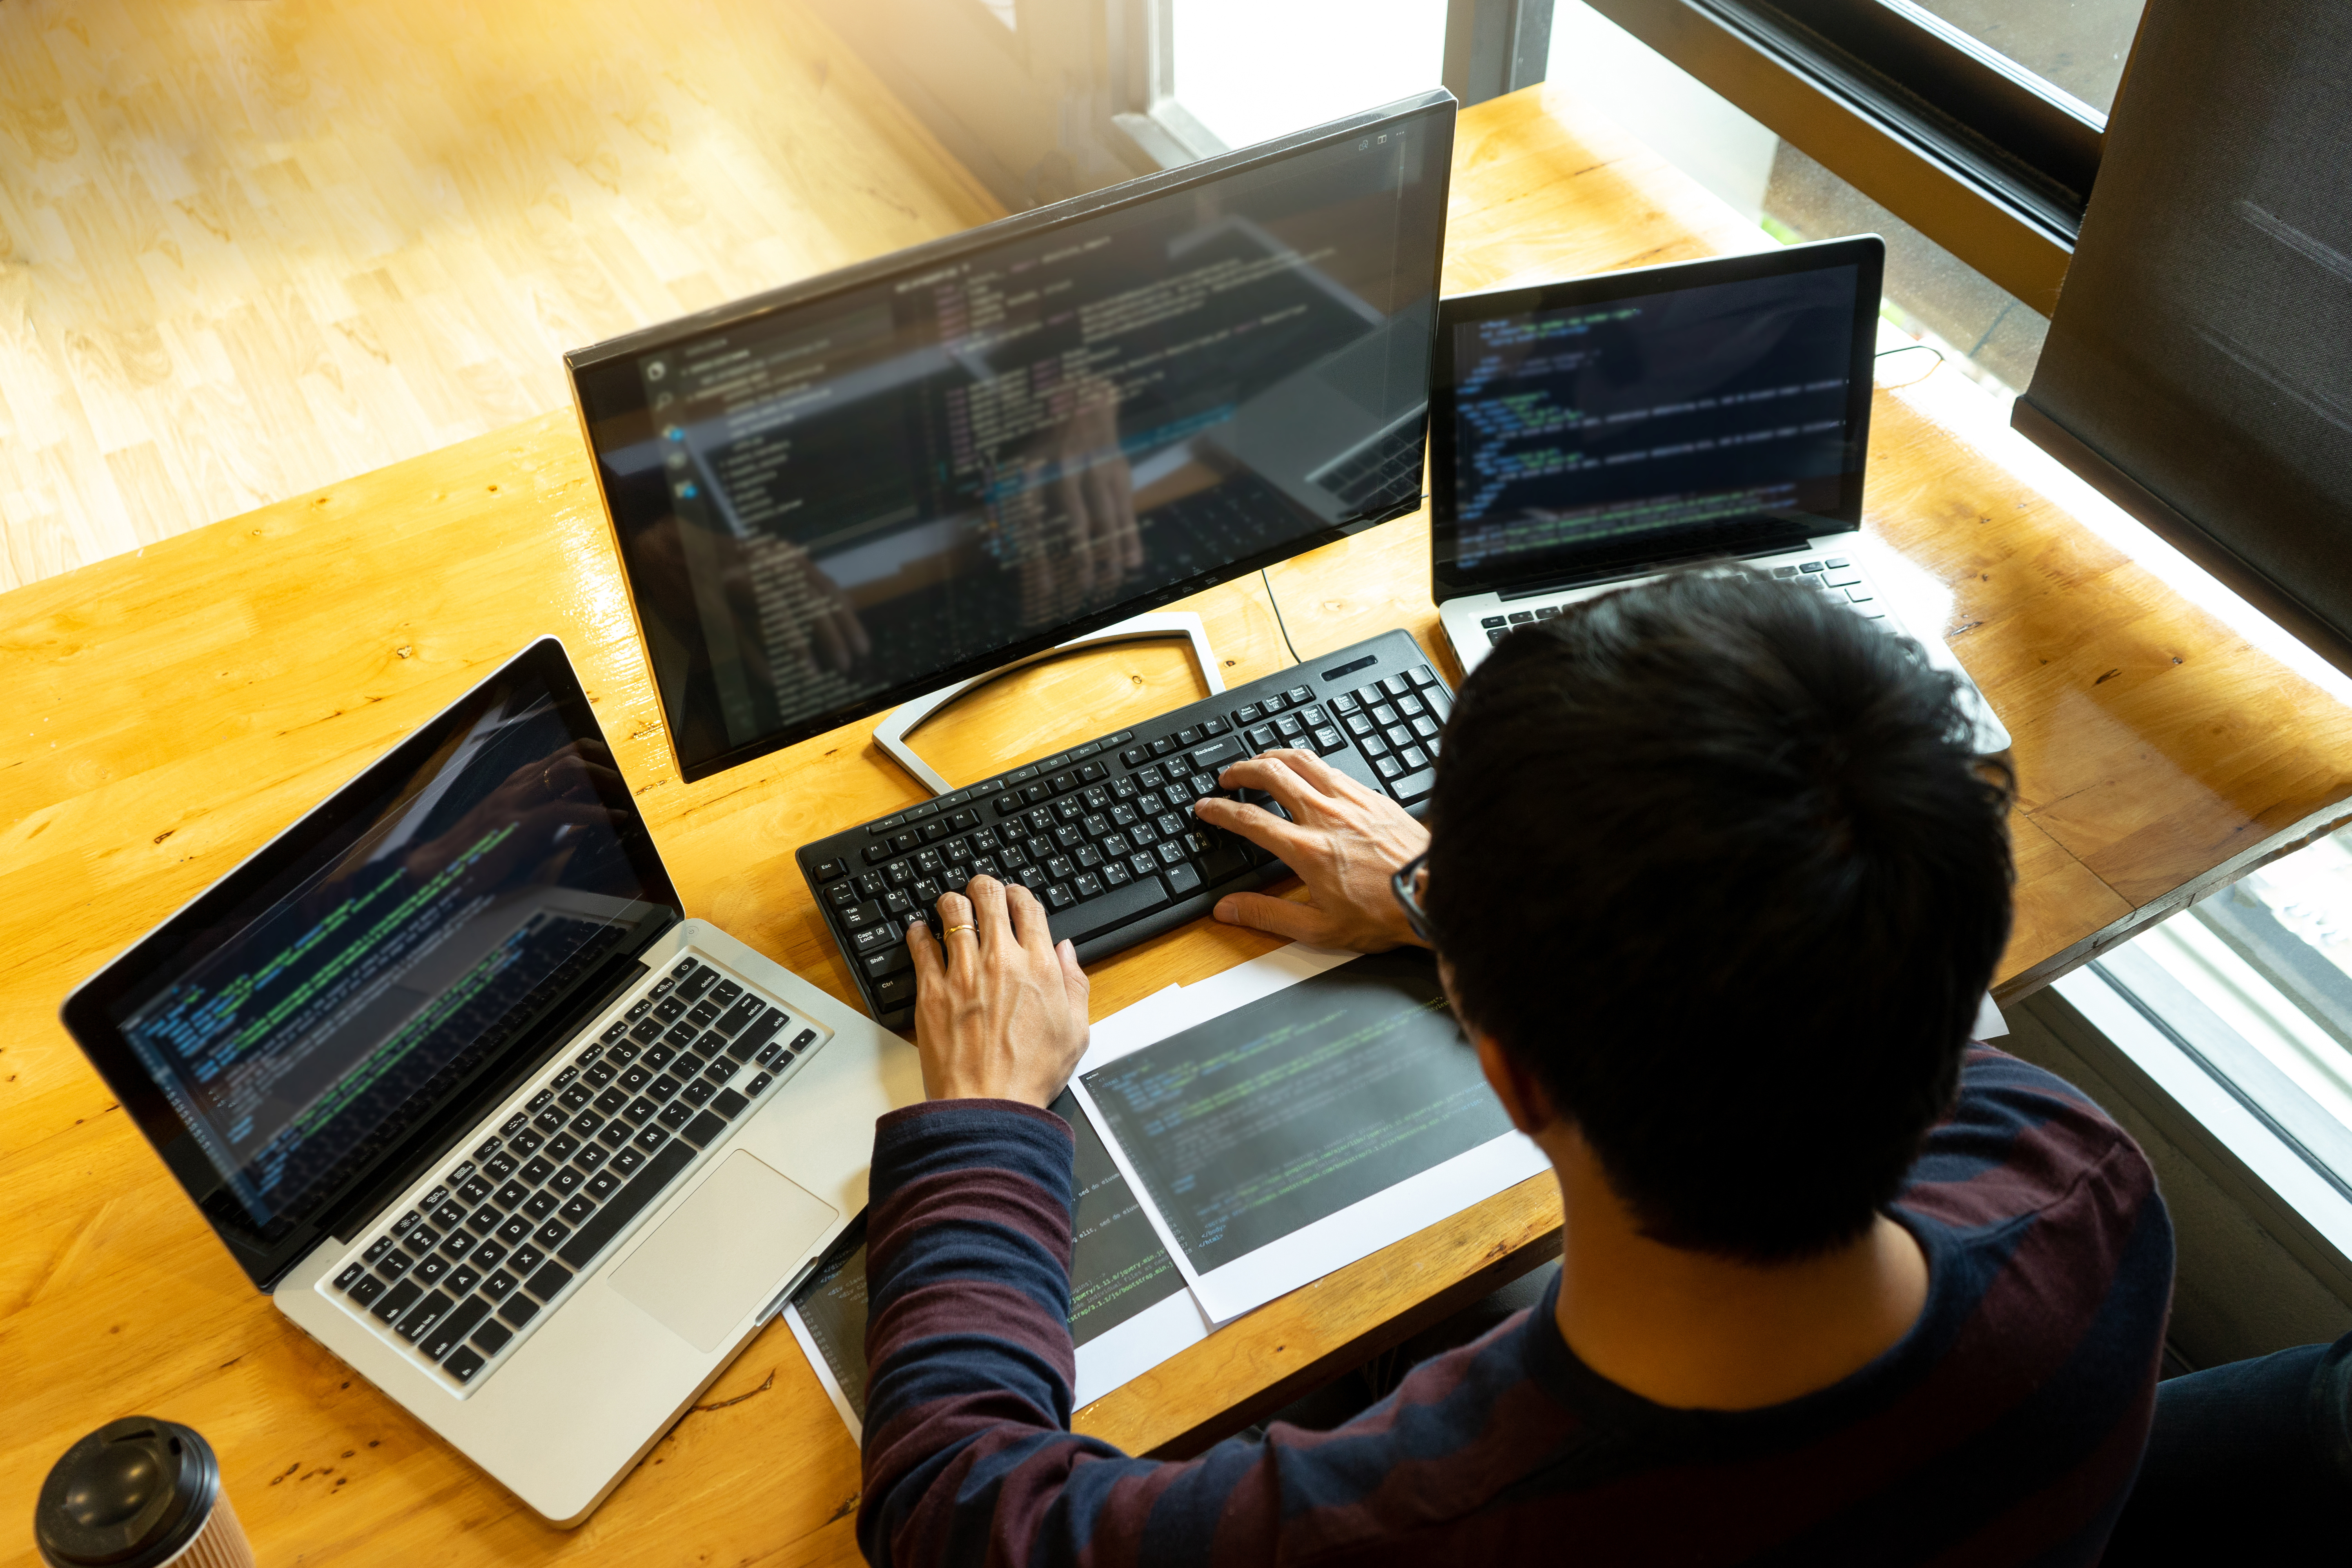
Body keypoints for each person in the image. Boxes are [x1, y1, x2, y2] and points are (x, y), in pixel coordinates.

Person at [856, 568, 2175, 1566]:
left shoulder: (1423, 1517)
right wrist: (1445, 900)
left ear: (1517, 1077)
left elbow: (954, 1508)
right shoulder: (2081, 1176)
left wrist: (987, 1113)